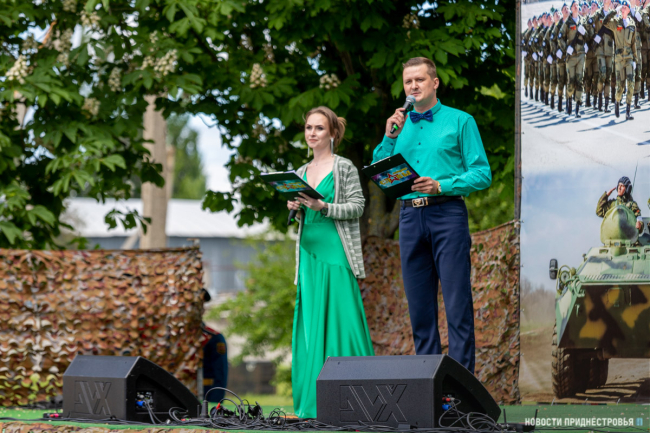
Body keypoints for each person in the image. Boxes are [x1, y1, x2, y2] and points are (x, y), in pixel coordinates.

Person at [371, 57, 492, 374]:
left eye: (419, 80)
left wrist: (442, 185)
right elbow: (380, 171)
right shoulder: (397, 126)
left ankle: (461, 388)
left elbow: (482, 174)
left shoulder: (461, 121)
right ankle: (428, 384)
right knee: (420, 311)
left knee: (457, 305)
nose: (413, 86)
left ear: (434, 83)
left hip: (447, 214)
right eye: (408, 81)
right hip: (409, 218)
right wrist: (389, 137)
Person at [287, 106, 374, 419]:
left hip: (335, 250)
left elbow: (358, 206)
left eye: (319, 128)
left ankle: (359, 398)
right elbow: (303, 213)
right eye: (309, 127)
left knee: (343, 319)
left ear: (333, 133)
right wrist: (295, 206)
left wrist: (323, 206)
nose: (312, 133)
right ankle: (313, 403)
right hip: (308, 252)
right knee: (311, 325)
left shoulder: (344, 166)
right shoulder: (299, 172)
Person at [602, 0, 638, 119]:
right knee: (620, 86)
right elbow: (605, 22)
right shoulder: (616, 22)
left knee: (631, 83)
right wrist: (614, 11)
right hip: (619, 59)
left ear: (628, 10)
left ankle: (628, 111)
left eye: (624, 8)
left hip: (629, 58)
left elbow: (634, 43)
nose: (622, 10)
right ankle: (617, 102)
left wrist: (635, 60)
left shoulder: (632, 24)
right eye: (621, 8)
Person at [559, 0, 593, 117]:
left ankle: (577, 106)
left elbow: (590, 35)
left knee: (580, 80)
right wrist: (566, 48)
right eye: (574, 5)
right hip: (571, 56)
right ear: (571, 8)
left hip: (581, 55)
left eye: (577, 5)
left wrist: (585, 33)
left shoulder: (583, 21)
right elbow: (560, 38)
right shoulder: (567, 22)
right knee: (571, 81)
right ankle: (569, 101)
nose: (576, 7)